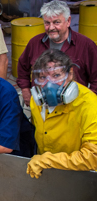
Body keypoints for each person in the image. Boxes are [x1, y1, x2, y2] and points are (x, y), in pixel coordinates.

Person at [27, 49, 97, 179]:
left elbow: (93, 157)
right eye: (43, 77)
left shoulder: (90, 105)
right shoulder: (35, 101)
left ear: (70, 74)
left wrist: (48, 160)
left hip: (78, 177)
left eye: (56, 76)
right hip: (45, 172)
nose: (49, 85)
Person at [17, 0, 97, 106]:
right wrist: (26, 90)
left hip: (74, 108)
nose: (51, 28)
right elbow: (22, 68)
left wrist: (88, 102)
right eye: (47, 23)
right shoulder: (34, 43)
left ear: (68, 21)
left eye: (56, 22)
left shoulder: (86, 45)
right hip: (41, 108)